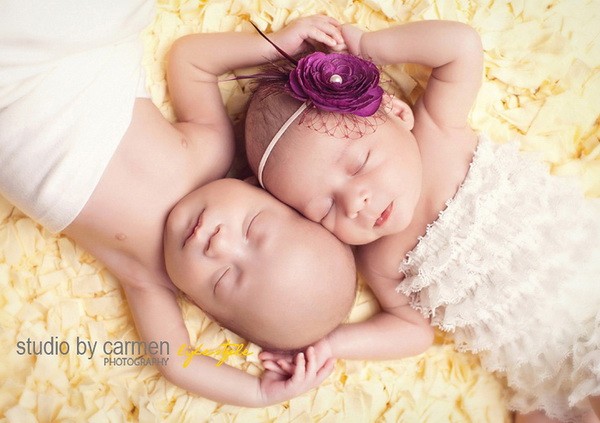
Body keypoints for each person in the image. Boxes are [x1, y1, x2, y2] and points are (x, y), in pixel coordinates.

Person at [0, 2, 358, 407]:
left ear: (201, 306)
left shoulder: (149, 277)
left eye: (222, 279)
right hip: (87, 53)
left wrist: (258, 392)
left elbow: (175, 361)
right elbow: (193, 59)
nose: (219, 243)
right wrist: (274, 45)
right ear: (262, 190)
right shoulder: (213, 150)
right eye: (252, 228)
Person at [244, 20, 600, 422]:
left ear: (396, 114)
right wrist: (332, 344)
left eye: (360, 163)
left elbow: (460, 46)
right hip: (546, 370)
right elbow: (412, 331)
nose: (355, 202)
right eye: (325, 208)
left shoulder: (439, 130)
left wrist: (369, 45)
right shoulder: (379, 258)